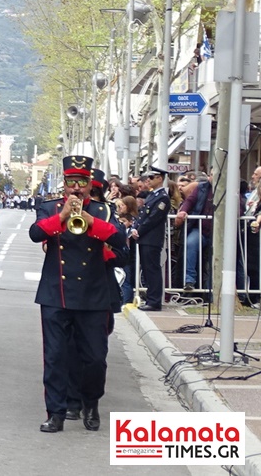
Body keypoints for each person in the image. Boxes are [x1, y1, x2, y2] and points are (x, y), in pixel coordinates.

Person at [29, 155, 127, 433]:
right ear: (64, 183)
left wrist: (89, 220)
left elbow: (120, 240)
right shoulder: (49, 207)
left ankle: (91, 403)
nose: (76, 188)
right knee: (55, 357)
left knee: (95, 358)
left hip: (93, 294)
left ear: (89, 184)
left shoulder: (103, 210)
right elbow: (35, 234)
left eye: (81, 182)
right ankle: (56, 413)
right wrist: (62, 217)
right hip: (55, 294)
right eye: (71, 182)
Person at [129, 167, 170, 311]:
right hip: (145, 237)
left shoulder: (163, 197)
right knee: (147, 270)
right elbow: (143, 215)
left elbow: (153, 218)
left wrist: (139, 230)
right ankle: (151, 298)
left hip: (152, 238)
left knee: (152, 269)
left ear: (160, 178)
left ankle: (154, 301)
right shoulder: (153, 195)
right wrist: (135, 228)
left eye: (152, 178)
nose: (148, 180)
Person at [175, 172, 213, 292]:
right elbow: (190, 201)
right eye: (210, 174)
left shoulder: (228, 189)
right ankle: (189, 280)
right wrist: (183, 211)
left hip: (220, 232)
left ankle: (212, 286)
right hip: (200, 229)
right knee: (190, 243)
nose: (211, 177)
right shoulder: (201, 187)